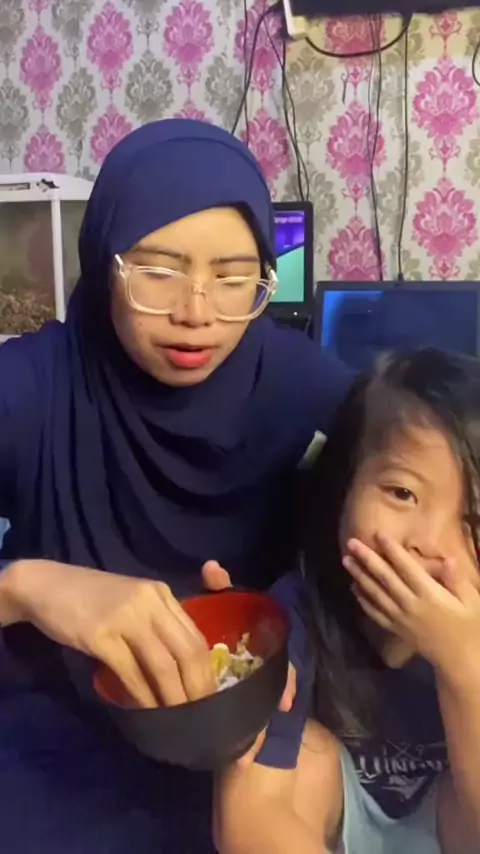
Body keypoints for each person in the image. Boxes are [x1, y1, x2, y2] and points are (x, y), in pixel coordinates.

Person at [0, 118, 354, 853]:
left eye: (233, 277)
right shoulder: (30, 388)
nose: (197, 313)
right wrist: (30, 587)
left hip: (247, 737)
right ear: (104, 261)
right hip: (54, 740)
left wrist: (290, 609)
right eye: (158, 271)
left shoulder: (307, 390)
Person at [217, 348, 480, 854]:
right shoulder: (294, 612)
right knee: (306, 756)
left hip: (457, 825)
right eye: (401, 493)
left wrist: (464, 665)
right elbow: (248, 819)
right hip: (332, 832)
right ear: (342, 491)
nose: (429, 543)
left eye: (474, 520)